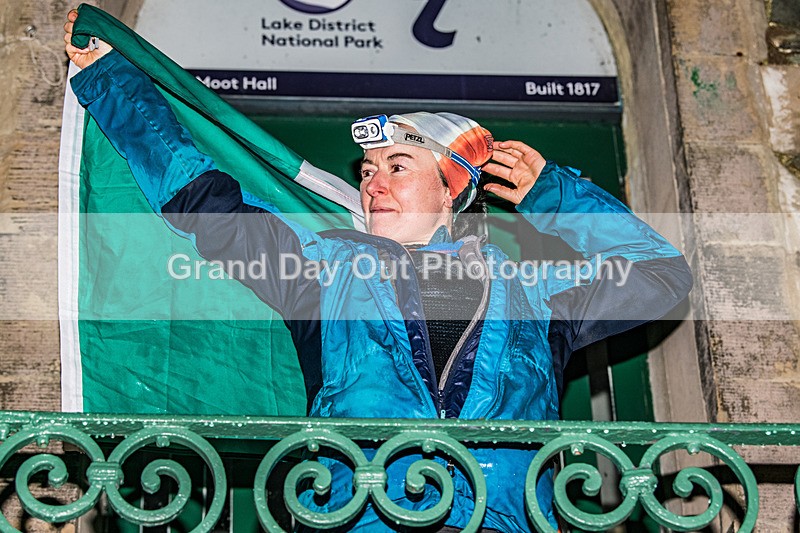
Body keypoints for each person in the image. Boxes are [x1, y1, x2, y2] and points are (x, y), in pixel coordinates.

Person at [64, 9, 692, 532]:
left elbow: (662, 277)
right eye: (367, 172)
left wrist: (555, 196)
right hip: (360, 519)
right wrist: (114, 85)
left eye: (398, 166)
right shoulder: (322, 269)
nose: (373, 183)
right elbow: (207, 206)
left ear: (451, 190)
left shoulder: (532, 289)